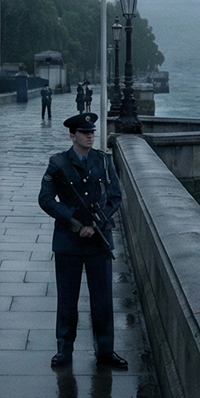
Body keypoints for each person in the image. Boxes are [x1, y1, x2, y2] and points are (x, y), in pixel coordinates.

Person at [38, 112, 128, 369]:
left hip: (98, 240)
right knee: (67, 300)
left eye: (92, 132)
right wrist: (75, 223)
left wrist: (95, 224)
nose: (90, 136)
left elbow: (115, 198)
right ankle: (64, 351)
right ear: (72, 135)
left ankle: (105, 351)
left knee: (103, 300)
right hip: (68, 241)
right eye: (84, 133)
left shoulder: (103, 161)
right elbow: (45, 199)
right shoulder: (58, 163)